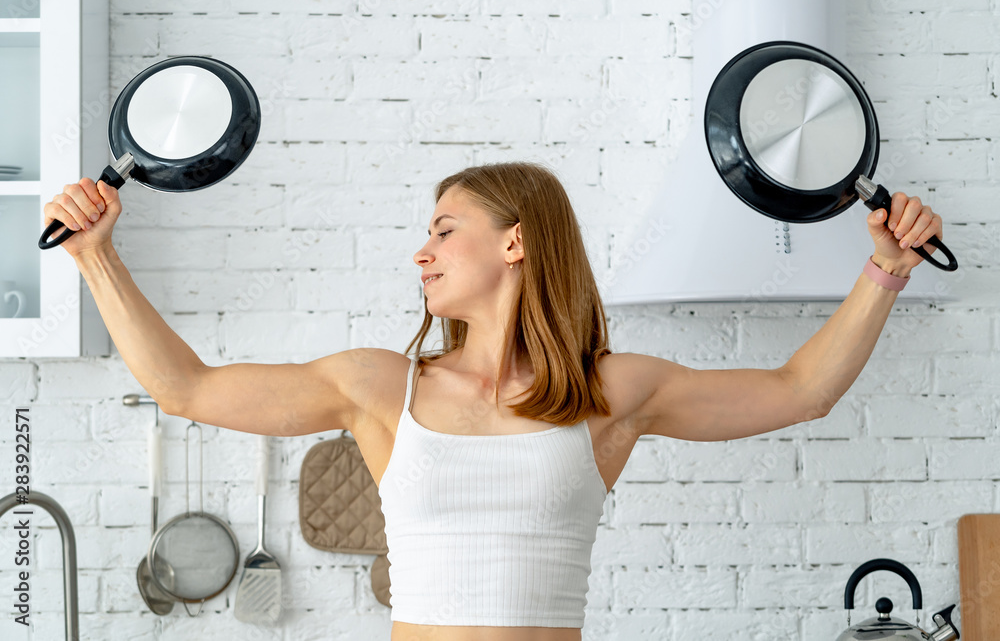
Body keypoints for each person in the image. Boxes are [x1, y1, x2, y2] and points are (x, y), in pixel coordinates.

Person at [44, 161, 944, 641]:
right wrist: (95, 257)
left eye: (443, 228)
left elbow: (802, 390)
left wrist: (885, 269)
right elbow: (186, 387)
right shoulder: (378, 386)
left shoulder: (608, 391)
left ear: (515, 241)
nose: (421, 252)